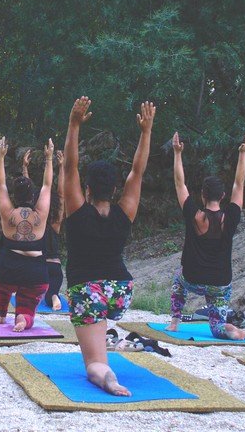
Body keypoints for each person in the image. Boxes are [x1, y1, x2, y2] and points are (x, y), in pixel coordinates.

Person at [62, 97, 154, 397]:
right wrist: (146, 131)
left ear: (86, 189)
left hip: (88, 291)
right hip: (120, 290)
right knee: (100, 314)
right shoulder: (124, 211)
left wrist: (74, 124)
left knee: (95, 363)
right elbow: (137, 172)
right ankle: (105, 343)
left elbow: (70, 167)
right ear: (115, 190)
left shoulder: (77, 211)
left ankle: (107, 377)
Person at [168, 131, 245, 340]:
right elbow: (239, 184)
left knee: (178, 278)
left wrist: (177, 153)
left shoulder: (194, 215)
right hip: (220, 284)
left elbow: (180, 183)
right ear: (223, 196)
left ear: (202, 195)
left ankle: (174, 322)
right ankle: (226, 329)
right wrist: (243, 154)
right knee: (216, 327)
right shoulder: (230, 217)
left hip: (192, 279)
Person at [0, 136, 53, 331]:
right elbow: (47, 185)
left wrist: (1, 156)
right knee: (28, 304)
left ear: (14, 195)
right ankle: (23, 318)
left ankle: (2, 313)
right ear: (32, 195)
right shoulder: (40, 214)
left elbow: (0, 185)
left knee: (2, 284)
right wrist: (49, 158)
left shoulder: (7, 213)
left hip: (7, 271)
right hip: (35, 274)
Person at [25, 149, 66, 311]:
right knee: (52, 290)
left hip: (39, 268)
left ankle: (51, 296)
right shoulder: (56, 223)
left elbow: (27, 192)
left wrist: (25, 167)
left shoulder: (36, 222)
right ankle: (53, 295)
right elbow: (61, 194)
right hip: (56, 267)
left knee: (34, 287)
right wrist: (61, 167)